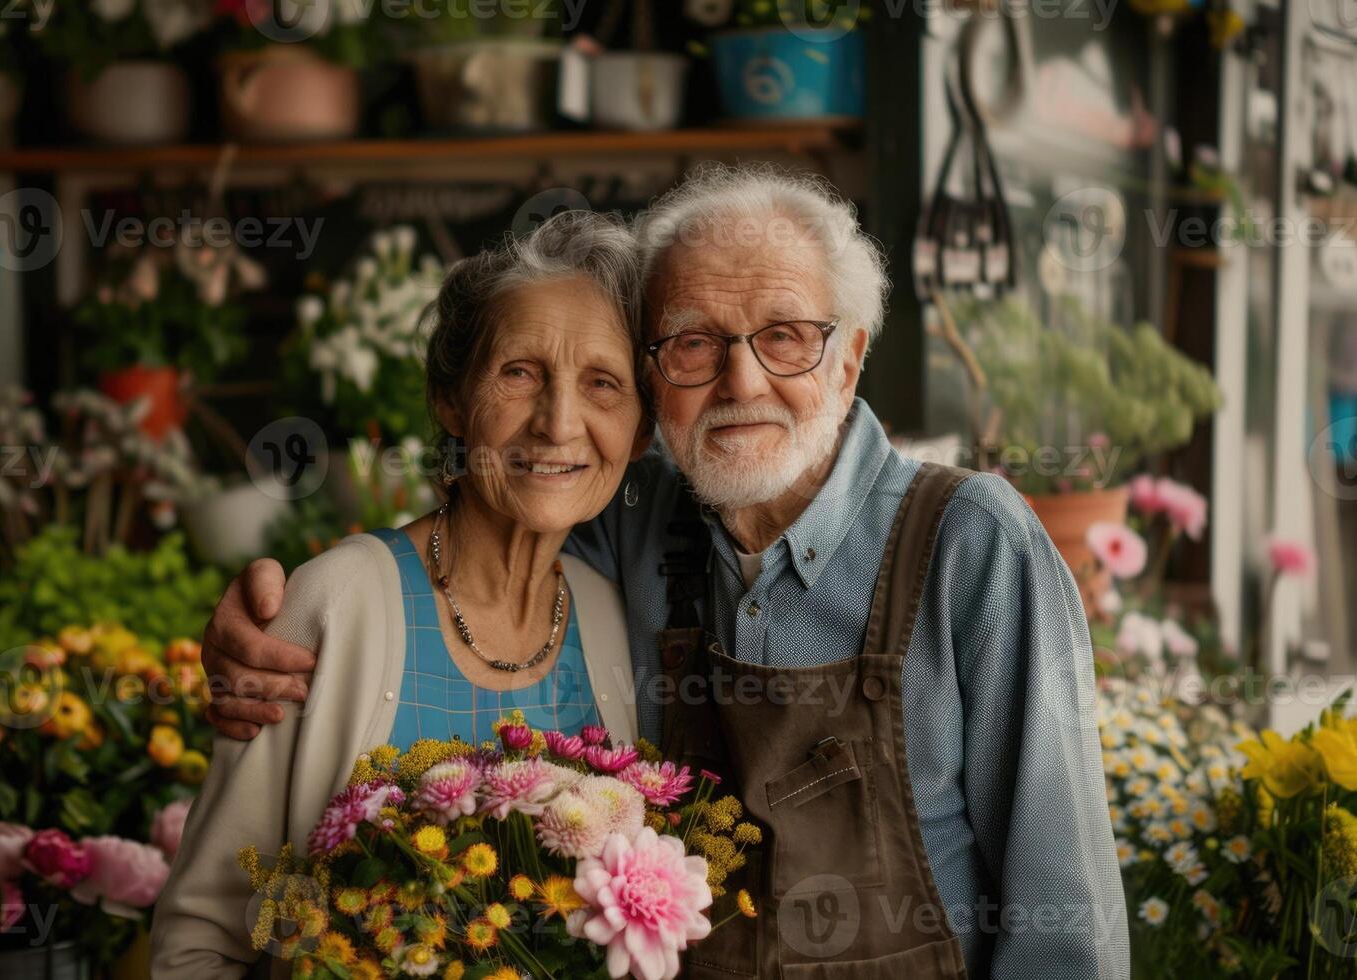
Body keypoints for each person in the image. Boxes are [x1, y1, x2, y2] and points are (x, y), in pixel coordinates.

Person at [198, 165, 1131, 978]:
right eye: (694, 342)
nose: (742, 381)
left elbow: (1068, 921)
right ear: (656, 388)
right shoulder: (632, 521)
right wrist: (291, 608)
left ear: (850, 359)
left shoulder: (971, 543)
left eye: (787, 336)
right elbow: (486, 535)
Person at [150, 210, 651, 978]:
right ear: (450, 399)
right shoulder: (335, 603)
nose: (559, 423)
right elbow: (202, 937)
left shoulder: (615, 619)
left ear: (641, 430)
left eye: (603, 384)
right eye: (519, 372)